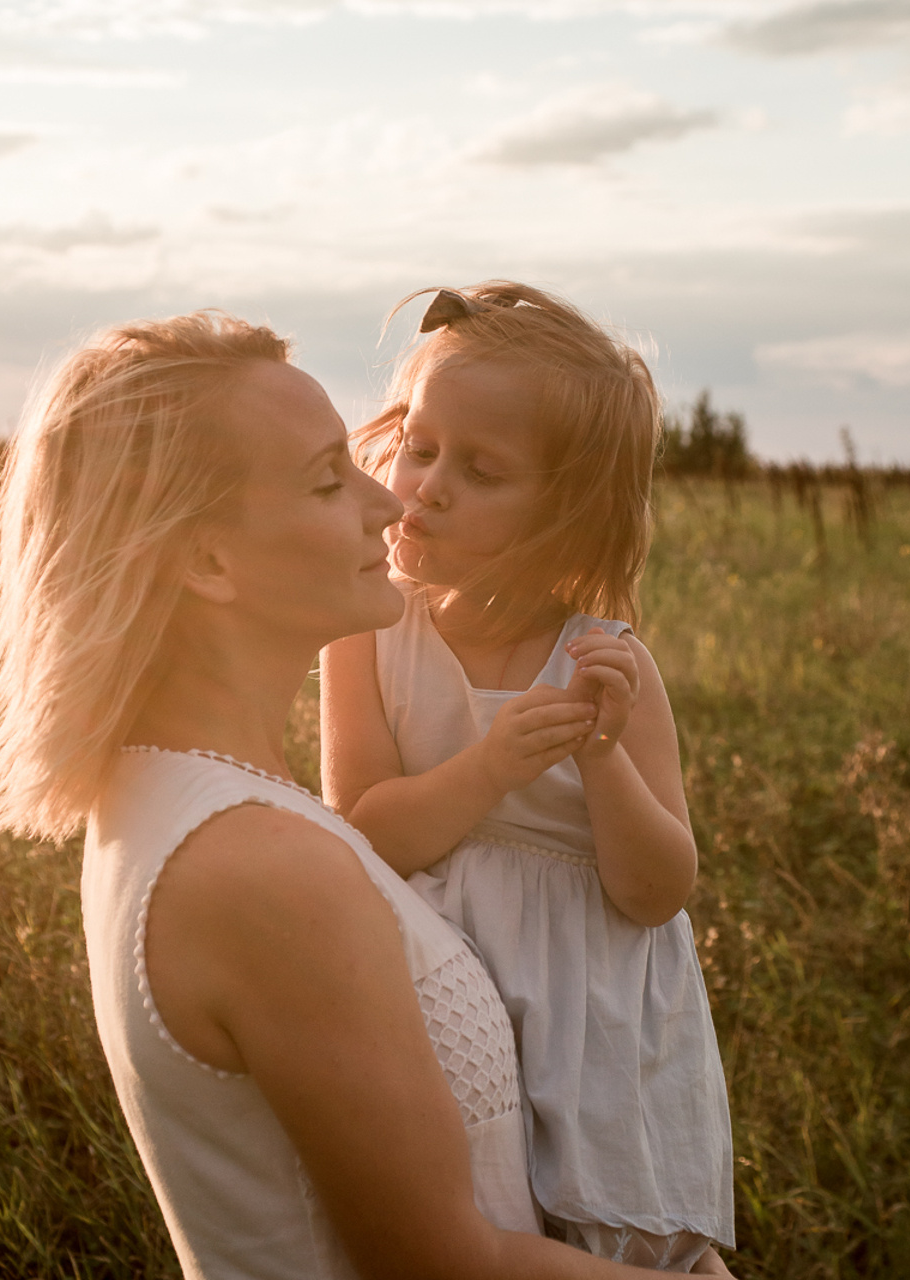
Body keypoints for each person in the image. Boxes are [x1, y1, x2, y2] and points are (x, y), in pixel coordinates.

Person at [0, 311, 735, 1279]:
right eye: (332, 476)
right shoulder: (266, 866)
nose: (395, 499)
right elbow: (438, 1257)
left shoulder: (175, 796)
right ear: (205, 560)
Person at [322, 282, 736, 1272]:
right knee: (469, 1230)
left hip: (590, 1010)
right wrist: (488, 767)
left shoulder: (602, 663)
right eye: (419, 446)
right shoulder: (370, 633)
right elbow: (367, 827)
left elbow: (655, 890)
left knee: (616, 1245)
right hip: (439, 985)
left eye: (481, 469)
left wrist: (599, 758)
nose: (427, 484)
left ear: (564, 509)